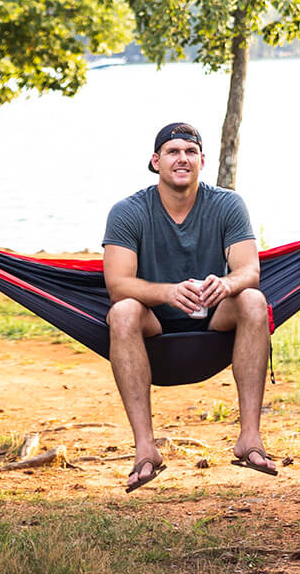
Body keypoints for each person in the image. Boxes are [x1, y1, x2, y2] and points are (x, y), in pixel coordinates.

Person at [102, 122, 277, 491]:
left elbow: (250, 270)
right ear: (155, 161)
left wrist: (227, 283)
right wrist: (166, 293)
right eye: (172, 151)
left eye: (190, 152)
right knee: (122, 312)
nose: (182, 158)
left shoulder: (228, 204)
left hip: (216, 317)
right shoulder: (128, 211)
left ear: (202, 160)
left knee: (253, 299)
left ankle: (250, 439)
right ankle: (146, 450)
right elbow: (118, 285)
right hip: (155, 324)